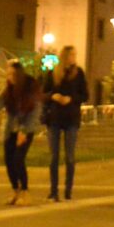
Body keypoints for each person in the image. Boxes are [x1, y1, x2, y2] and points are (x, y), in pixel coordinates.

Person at [0, 59, 41, 206]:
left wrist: (24, 131)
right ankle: (15, 190)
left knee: (18, 159)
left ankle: (25, 191)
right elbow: (0, 100)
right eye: (8, 74)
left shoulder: (30, 87)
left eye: (12, 74)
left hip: (26, 129)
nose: (9, 77)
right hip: (11, 129)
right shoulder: (9, 88)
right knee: (9, 161)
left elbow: (35, 111)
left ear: (18, 74)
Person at [42, 45, 89, 201]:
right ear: (65, 56)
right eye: (71, 55)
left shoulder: (79, 73)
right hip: (54, 118)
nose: (74, 57)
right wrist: (53, 96)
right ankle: (53, 190)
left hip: (71, 118)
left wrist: (71, 99)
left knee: (70, 156)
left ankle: (68, 190)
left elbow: (85, 95)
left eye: (75, 55)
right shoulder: (53, 73)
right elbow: (43, 94)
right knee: (53, 156)